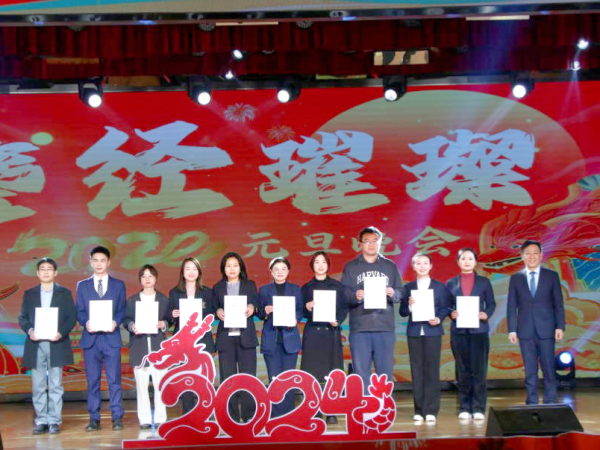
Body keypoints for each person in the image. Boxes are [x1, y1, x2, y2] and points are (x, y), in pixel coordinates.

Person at [18, 258, 76, 435]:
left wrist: (61, 332)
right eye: (42, 269)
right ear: (37, 273)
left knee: (56, 384)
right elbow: (22, 317)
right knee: (38, 385)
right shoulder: (29, 294)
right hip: (36, 344)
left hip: (56, 343)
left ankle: (54, 421)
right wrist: (30, 331)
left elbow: (71, 317)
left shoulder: (64, 293)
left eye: (49, 269)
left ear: (55, 273)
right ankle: (41, 420)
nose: (45, 272)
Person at [341, 226, 403, 390]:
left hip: (384, 327)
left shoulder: (390, 266)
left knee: (385, 374)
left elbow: (400, 292)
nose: (371, 244)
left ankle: (384, 404)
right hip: (360, 328)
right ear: (360, 244)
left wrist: (393, 293)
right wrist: (355, 296)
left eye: (375, 241)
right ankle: (364, 404)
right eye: (367, 241)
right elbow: (344, 294)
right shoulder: (351, 267)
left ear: (380, 243)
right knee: (361, 374)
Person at [507, 240, 565, 405]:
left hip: (547, 329)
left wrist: (560, 326)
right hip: (525, 331)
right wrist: (512, 330)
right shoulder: (516, 278)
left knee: (548, 368)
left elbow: (558, 304)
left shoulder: (551, 276)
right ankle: (531, 401)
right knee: (530, 370)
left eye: (535, 253)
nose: (531, 257)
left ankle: (550, 400)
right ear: (522, 256)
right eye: (528, 254)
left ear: (541, 255)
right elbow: (512, 306)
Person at [75, 246, 126, 431]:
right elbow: (79, 311)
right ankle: (94, 418)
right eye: (95, 260)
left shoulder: (118, 285)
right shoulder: (82, 285)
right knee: (93, 381)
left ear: (108, 263)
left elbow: (122, 309)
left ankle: (117, 417)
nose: (99, 264)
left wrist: (115, 322)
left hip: (111, 338)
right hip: (91, 339)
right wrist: (86, 322)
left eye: (102, 260)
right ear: (90, 262)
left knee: (114, 380)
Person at [446, 248, 496, 421]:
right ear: (458, 262)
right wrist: (451, 313)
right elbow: (447, 305)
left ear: (476, 262)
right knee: (462, 370)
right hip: (459, 332)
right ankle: (464, 407)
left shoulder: (484, 282)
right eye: (463, 259)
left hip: (479, 331)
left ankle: (478, 407)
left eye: (470, 259)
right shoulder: (451, 283)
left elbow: (491, 304)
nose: (466, 262)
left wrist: (486, 314)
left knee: (479, 370)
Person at [400, 253, 450, 423]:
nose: (422, 266)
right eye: (418, 263)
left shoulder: (439, 287)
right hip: (414, 332)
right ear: (414, 267)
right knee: (417, 371)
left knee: (432, 371)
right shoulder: (408, 288)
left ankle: (431, 410)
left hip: (433, 332)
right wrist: (409, 305)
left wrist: (438, 319)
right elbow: (402, 312)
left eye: (425, 263)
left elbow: (445, 308)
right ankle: (419, 410)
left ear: (430, 266)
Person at [300, 251, 348, 425]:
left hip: (331, 332)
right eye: (317, 262)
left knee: (332, 372)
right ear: (312, 265)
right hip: (313, 332)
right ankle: (315, 410)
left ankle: (331, 410)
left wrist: (338, 321)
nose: (320, 265)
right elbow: (301, 311)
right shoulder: (306, 287)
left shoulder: (337, 286)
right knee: (312, 373)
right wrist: (307, 307)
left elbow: (343, 309)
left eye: (323, 262)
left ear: (328, 265)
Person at [123, 265, 172, 429]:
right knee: (141, 386)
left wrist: (164, 324)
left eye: (150, 276)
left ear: (155, 278)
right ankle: (144, 419)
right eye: (144, 276)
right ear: (140, 279)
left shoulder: (164, 300)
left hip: (158, 347)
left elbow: (169, 320)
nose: (147, 279)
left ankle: (160, 418)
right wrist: (132, 326)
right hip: (139, 347)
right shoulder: (132, 301)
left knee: (160, 385)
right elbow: (126, 320)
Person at [213, 252, 259, 423]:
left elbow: (257, 304)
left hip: (246, 337)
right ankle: (230, 417)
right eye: (228, 266)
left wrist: (252, 307)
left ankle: (249, 416)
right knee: (228, 379)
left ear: (241, 268)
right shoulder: (217, 287)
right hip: (226, 338)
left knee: (248, 377)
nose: (232, 269)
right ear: (223, 269)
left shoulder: (250, 285)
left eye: (235, 265)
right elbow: (214, 308)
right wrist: (218, 311)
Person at [169, 257, 216, 415]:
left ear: (199, 272)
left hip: (202, 340)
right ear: (182, 272)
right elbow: (170, 318)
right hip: (183, 341)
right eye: (188, 269)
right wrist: (173, 315)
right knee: (186, 377)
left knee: (203, 378)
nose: (191, 272)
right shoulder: (174, 292)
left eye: (194, 269)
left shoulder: (207, 292)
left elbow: (211, 315)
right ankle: (188, 413)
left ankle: (204, 412)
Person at [258, 256, 303, 417]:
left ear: (288, 271)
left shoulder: (295, 289)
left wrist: (295, 318)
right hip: (271, 339)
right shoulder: (264, 290)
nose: (280, 272)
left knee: (289, 378)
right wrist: (265, 311)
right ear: (271, 272)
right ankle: (276, 415)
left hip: (290, 339)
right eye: (276, 269)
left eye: (283, 269)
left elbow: (300, 310)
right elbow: (259, 312)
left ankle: (288, 414)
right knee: (274, 378)